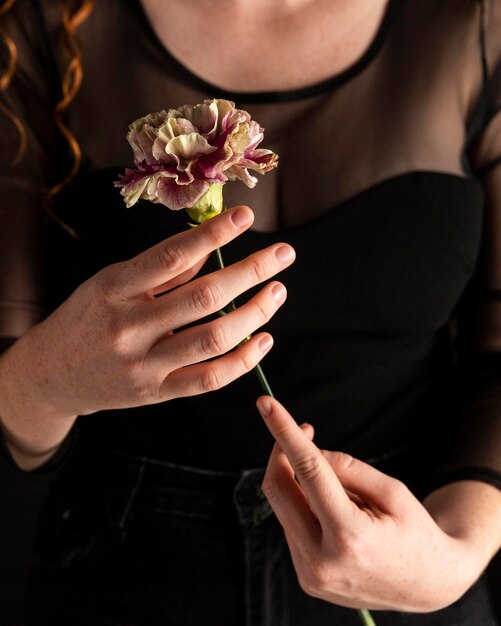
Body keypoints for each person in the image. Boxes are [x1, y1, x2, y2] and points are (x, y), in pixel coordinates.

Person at [0, 0, 500, 624]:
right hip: (124, 573)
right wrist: (44, 378)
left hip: (412, 551)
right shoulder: (40, 26)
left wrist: (456, 553)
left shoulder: (478, 24)